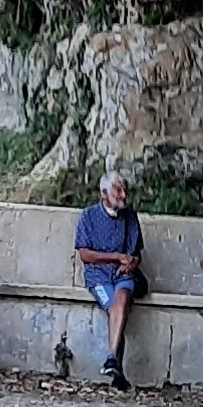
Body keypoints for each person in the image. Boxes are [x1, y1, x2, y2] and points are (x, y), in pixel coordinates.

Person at [72, 166, 145, 388]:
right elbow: (85, 254)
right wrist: (116, 256)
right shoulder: (88, 216)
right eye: (118, 190)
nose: (123, 195)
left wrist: (131, 262)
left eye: (124, 190)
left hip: (122, 274)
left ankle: (112, 358)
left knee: (122, 300)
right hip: (98, 276)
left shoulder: (130, 217)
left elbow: (136, 253)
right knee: (115, 307)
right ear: (104, 194)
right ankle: (117, 368)